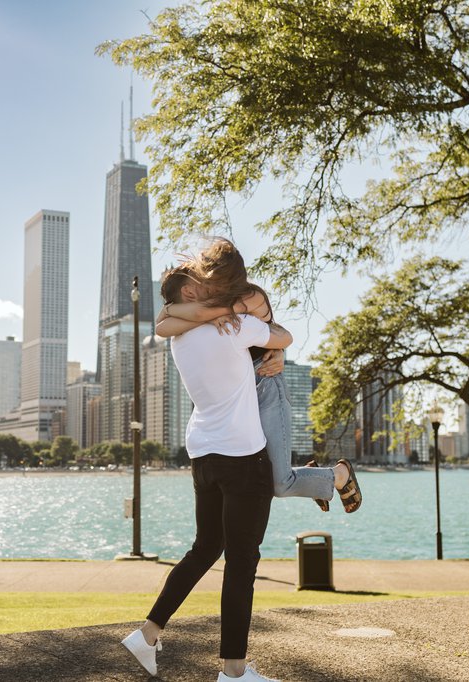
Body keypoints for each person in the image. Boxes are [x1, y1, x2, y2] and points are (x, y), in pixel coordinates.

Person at [121, 264, 290, 682]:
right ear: (191, 292)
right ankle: (234, 672)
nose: (211, 286)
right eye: (202, 284)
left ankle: (148, 633)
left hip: (203, 454)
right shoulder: (235, 326)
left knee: (206, 548)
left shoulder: (178, 336)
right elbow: (283, 335)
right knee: (241, 562)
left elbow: (168, 321)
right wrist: (275, 347)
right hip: (242, 454)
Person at [156, 238, 362, 514]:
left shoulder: (249, 298)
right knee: (271, 479)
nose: (203, 281)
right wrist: (185, 312)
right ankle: (314, 479)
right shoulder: (213, 303)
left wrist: (203, 315)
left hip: (266, 382)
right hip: (240, 390)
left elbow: (282, 337)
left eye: (207, 276)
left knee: (279, 484)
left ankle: (338, 475)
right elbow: (163, 326)